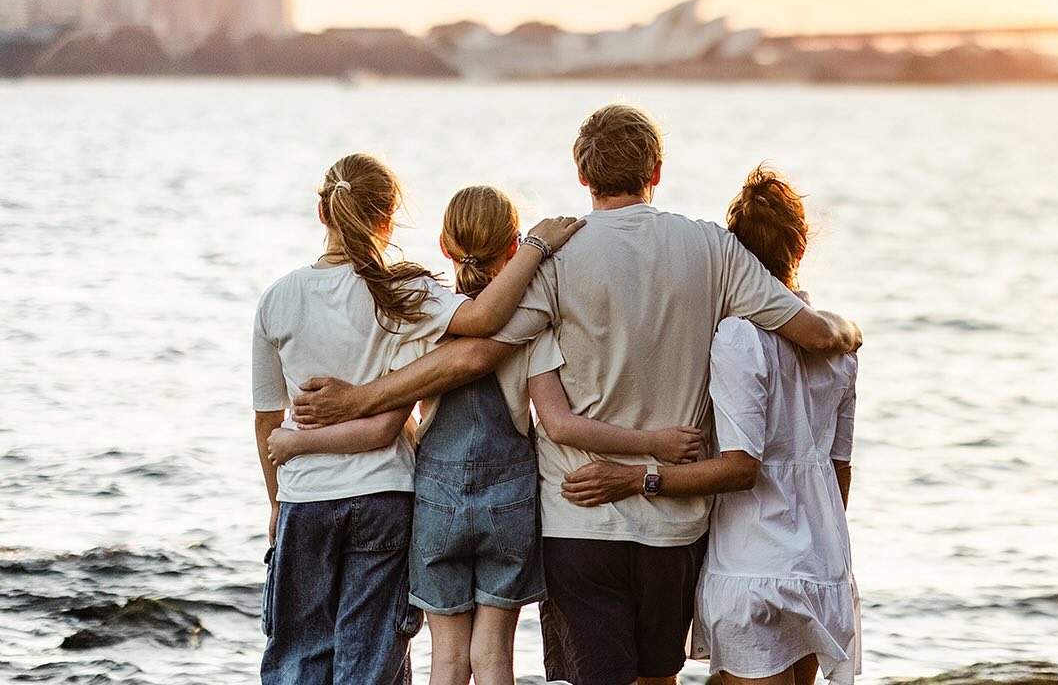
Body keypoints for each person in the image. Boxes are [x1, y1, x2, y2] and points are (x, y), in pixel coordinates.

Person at [291, 105, 862, 685]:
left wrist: (360, 399)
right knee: (658, 678)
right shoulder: (712, 248)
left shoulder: (560, 257)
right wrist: (848, 331)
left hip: (577, 517)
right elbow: (814, 334)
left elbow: (477, 352)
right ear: (656, 171)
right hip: (675, 525)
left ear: (583, 175)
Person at [268, 185, 701, 685]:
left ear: (445, 246)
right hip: (511, 501)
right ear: (512, 249)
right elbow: (555, 420)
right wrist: (654, 444)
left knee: (448, 662)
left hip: (436, 500)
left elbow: (395, 408)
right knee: (494, 657)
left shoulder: (426, 322)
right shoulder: (528, 329)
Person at [252, 154, 583, 685]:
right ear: (388, 218)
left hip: (316, 500)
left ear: (322, 214)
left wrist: (277, 496)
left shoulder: (277, 299)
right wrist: (537, 251)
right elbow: (480, 325)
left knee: (300, 656)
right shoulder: (402, 294)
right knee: (381, 659)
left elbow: (267, 421)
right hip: (389, 494)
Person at [561, 165, 860, 685]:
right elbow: (840, 470)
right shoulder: (840, 348)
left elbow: (741, 469)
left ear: (737, 255)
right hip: (821, 563)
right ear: (801, 248)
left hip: (752, 562)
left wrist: (636, 477)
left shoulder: (740, 338)